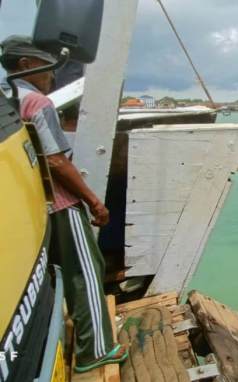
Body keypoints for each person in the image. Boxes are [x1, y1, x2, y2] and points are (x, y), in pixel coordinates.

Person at [0, 35, 128, 372]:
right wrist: (93, 202)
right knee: (87, 271)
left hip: (35, 206)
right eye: (47, 69)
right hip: (60, 203)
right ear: (26, 65)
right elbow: (57, 162)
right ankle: (95, 350)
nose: (52, 77)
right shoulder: (38, 103)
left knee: (63, 273)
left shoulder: (8, 98)